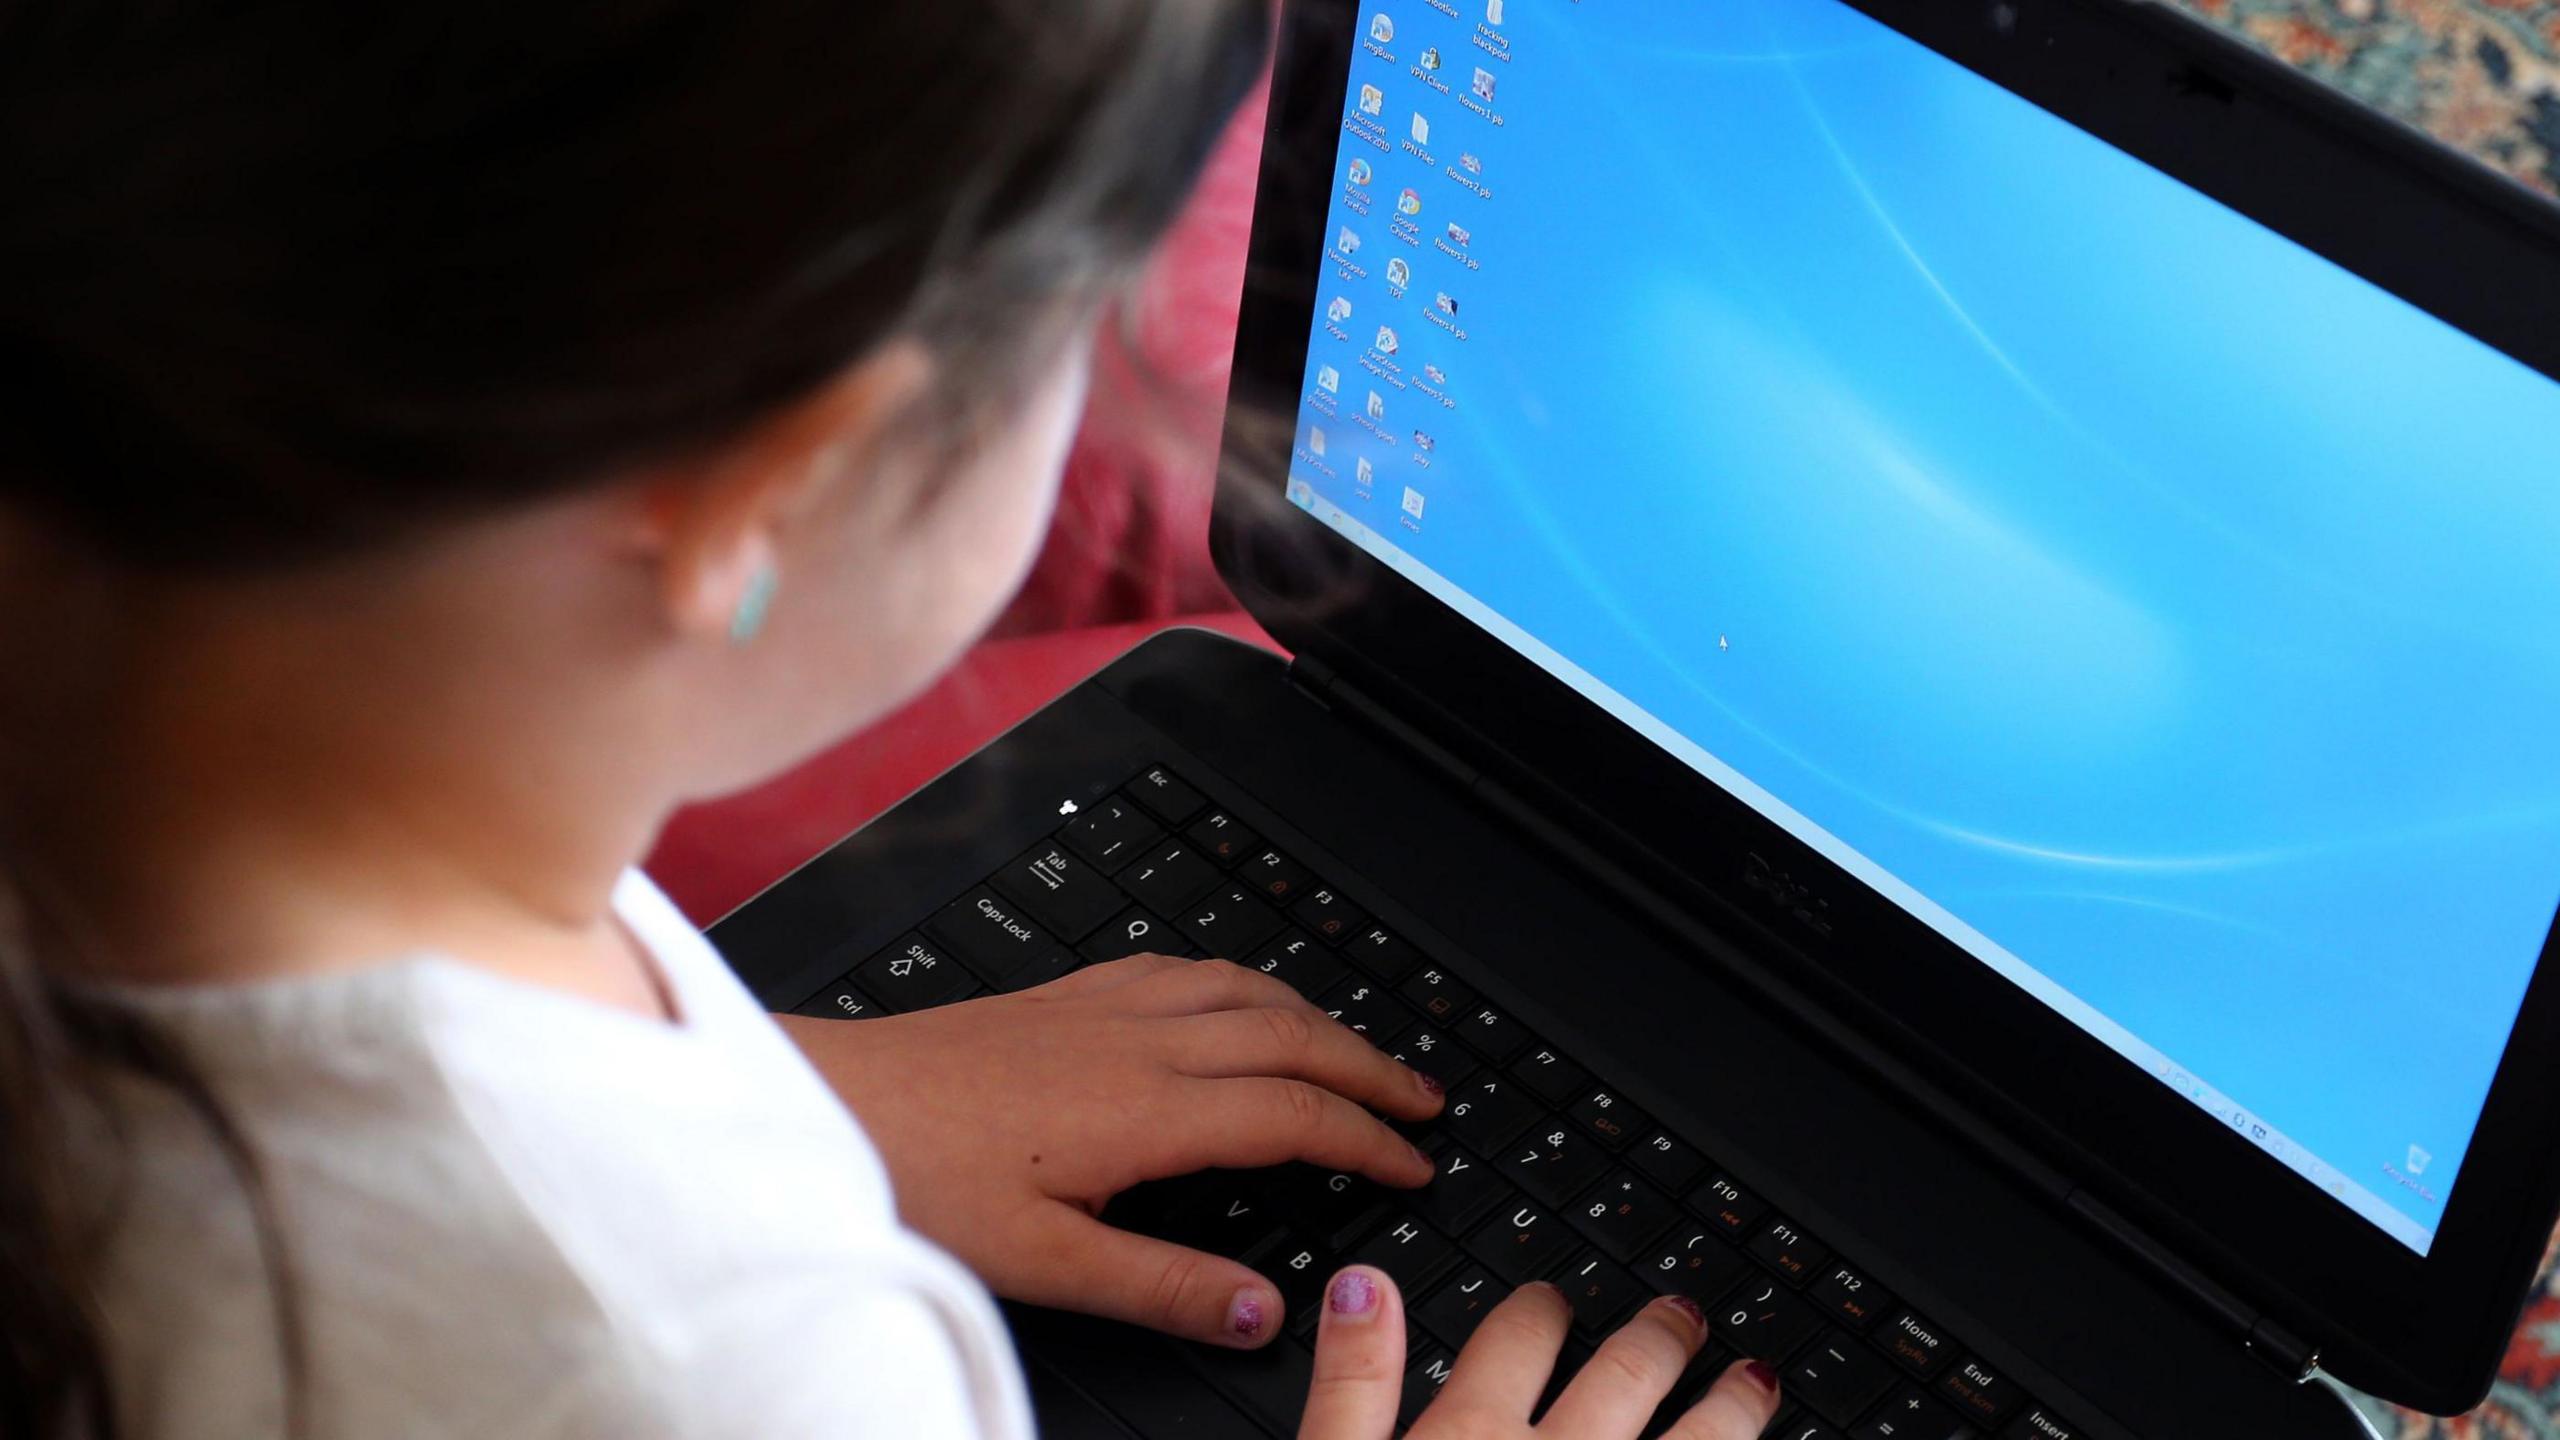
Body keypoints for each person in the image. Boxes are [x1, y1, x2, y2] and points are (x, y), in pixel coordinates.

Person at [0, 4, 1785, 1437]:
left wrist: (781, 1084)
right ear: (758, 498)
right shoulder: (720, 1354)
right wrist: (705, 1200)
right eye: (1080, 326)